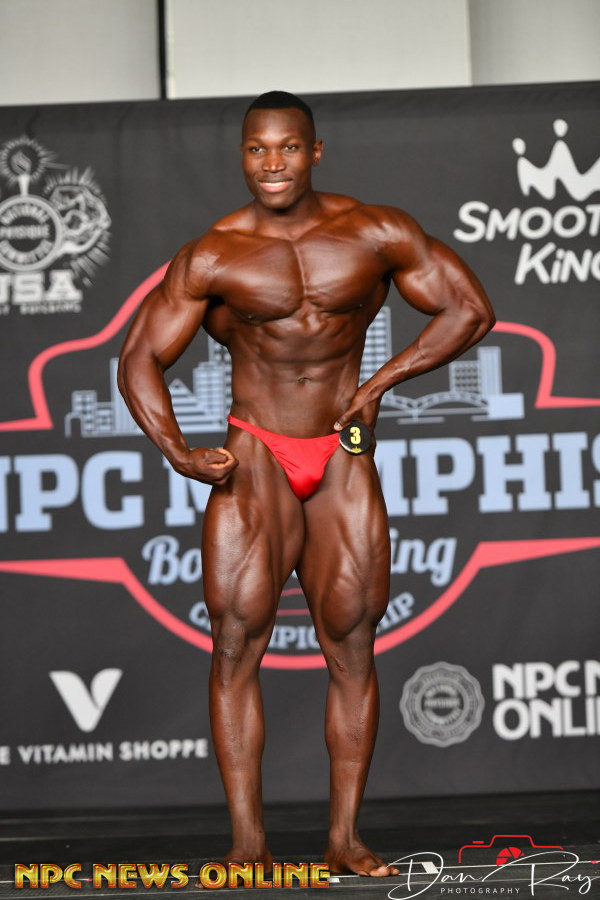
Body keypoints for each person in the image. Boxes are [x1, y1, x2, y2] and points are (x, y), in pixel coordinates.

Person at [118, 90, 495, 878]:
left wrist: (383, 381)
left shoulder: (376, 231)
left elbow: (469, 308)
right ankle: (248, 844)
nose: (273, 163)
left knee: (352, 643)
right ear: (242, 155)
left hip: (341, 452)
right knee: (234, 644)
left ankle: (344, 839)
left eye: (288, 147)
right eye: (258, 149)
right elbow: (138, 357)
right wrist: (177, 451)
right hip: (255, 452)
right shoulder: (213, 254)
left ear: (315, 151)